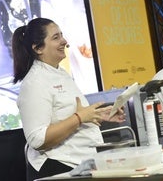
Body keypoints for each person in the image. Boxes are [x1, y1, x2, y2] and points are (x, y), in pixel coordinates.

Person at [12, 18, 126, 181]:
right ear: (38, 48)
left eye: (62, 35)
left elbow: (69, 114)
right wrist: (79, 118)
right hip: (57, 167)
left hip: (79, 164)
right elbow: (38, 139)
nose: (64, 41)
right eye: (56, 37)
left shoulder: (61, 73)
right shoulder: (34, 83)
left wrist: (99, 115)